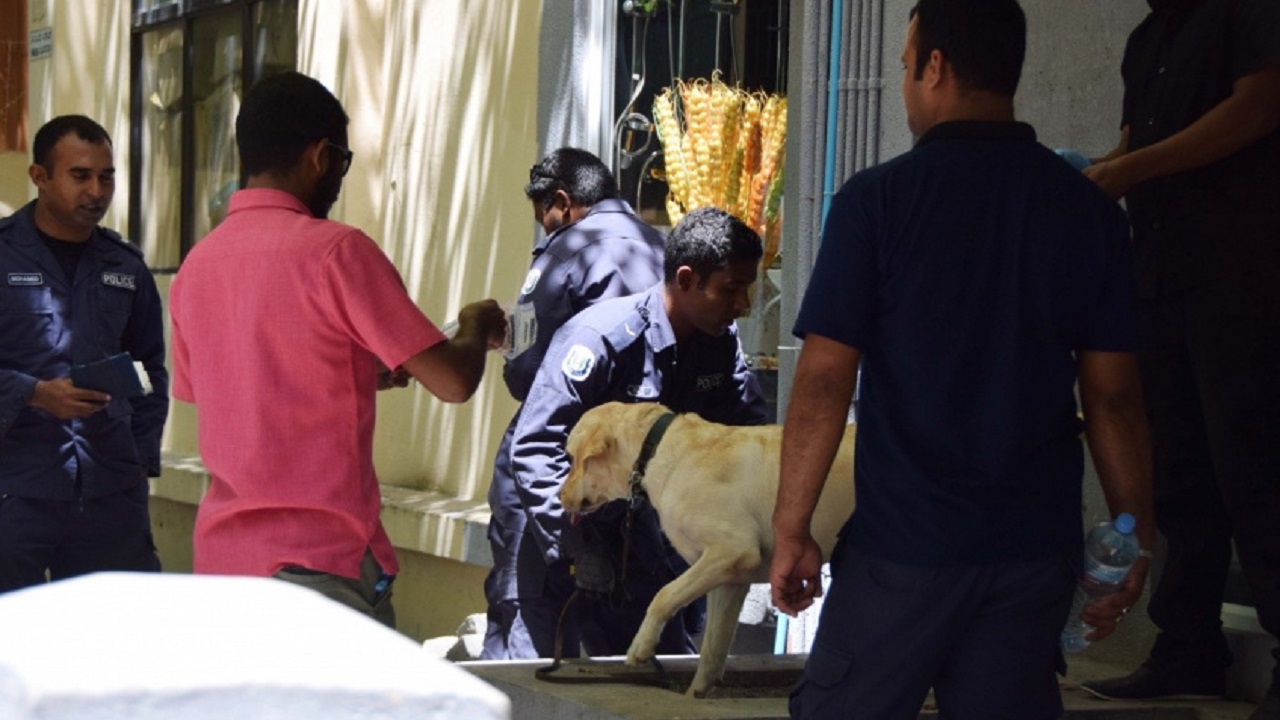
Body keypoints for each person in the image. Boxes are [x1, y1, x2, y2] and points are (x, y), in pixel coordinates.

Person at [768, 2, 1155, 718]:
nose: (909, 79)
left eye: (907, 63)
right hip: (1032, 552)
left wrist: (793, 530)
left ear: (936, 67)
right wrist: (1132, 534)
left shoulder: (876, 204)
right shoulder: (1087, 212)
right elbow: (1114, 397)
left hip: (904, 549)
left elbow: (824, 379)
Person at [169, 72, 506, 628]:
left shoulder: (196, 267)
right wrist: (472, 325)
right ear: (320, 156)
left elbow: (229, 389)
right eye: (343, 164)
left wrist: (350, 369)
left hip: (223, 571)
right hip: (318, 571)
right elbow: (452, 380)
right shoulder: (336, 252)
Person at [1077, 1, 1280, 716]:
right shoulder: (1147, 38)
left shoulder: (1248, 13)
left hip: (1244, 278)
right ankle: (1187, 647)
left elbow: (1259, 105)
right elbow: (1136, 139)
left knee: (1255, 469)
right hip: (1159, 275)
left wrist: (1132, 168)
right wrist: (1104, 170)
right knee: (1179, 479)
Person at [507, 206, 769, 659]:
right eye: (732, 289)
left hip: (645, 548)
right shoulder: (602, 339)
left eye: (747, 289)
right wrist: (574, 543)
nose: (743, 305)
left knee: (649, 684)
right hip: (565, 539)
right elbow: (535, 446)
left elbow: (749, 437)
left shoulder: (719, 347)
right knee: (541, 690)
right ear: (686, 280)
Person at [482, 148, 665, 658]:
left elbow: (524, 375)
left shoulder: (563, 254)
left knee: (529, 630)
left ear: (561, 202)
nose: (546, 230)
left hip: (558, 465)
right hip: (638, 475)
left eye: (545, 218)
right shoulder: (665, 248)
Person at [0, 115, 168, 591]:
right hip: (16, 489)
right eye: (81, 175)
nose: (97, 190)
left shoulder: (125, 266)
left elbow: (151, 368)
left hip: (109, 492)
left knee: (117, 642)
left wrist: (139, 460)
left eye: (106, 175)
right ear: (40, 176)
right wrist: (31, 393)